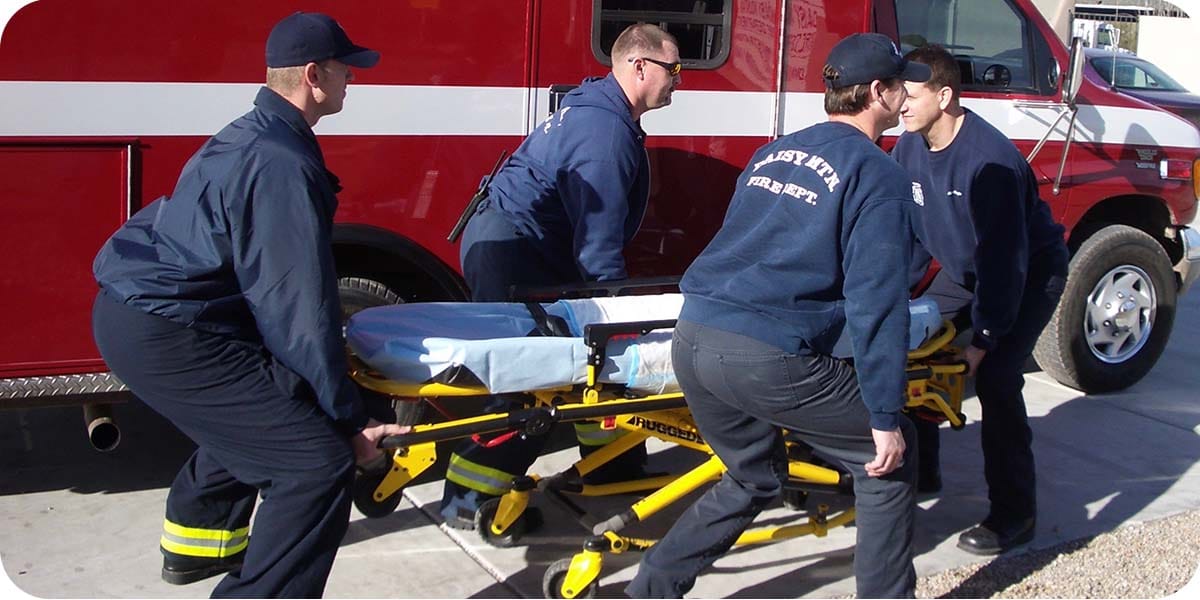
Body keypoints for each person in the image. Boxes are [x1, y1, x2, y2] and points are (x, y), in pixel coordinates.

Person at [90, 12, 407, 598]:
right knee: (315, 467)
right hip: (167, 330)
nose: (351, 83)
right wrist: (348, 422)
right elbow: (297, 312)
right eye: (345, 71)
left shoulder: (254, 130)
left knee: (275, 418)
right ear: (315, 75)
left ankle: (195, 546)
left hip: (148, 316)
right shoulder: (281, 163)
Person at [626, 33, 928, 599]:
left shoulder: (774, 151)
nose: (907, 95)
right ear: (879, 92)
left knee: (752, 476)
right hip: (766, 356)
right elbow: (878, 303)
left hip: (693, 339)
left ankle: (648, 592)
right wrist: (884, 415)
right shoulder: (876, 175)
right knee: (889, 460)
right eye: (900, 84)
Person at [440, 23, 683, 529]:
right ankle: (469, 498)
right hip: (513, 255)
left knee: (588, 369)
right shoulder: (605, 133)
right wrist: (616, 311)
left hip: (508, 243)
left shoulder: (596, 104)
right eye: (673, 68)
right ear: (640, 67)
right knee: (529, 381)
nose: (679, 79)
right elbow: (598, 244)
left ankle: (612, 463)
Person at [892, 44, 1068, 555]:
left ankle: (1015, 514)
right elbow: (911, 237)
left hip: (1028, 273)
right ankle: (922, 473)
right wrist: (896, 302)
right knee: (914, 345)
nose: (901, 102)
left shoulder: (989, 161)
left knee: (995, 377)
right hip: (965, 269)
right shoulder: (908, 147)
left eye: (913, 93)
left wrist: (985, 337)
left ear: (945, 96)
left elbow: (1005, 261)